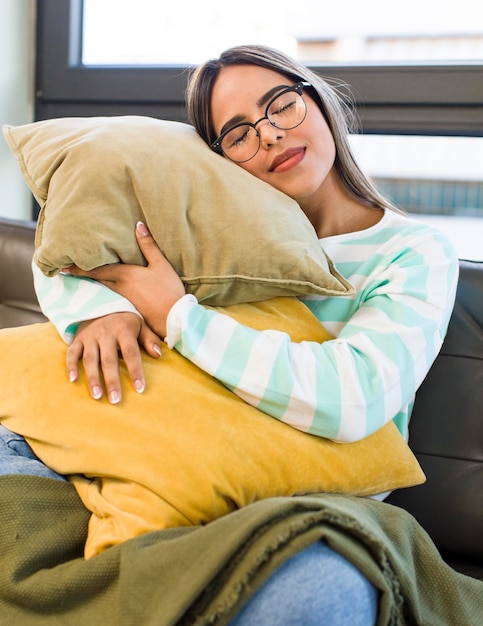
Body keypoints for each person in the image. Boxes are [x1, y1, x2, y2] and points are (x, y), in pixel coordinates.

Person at [3, 45, 459, 624]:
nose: (268, 135)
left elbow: (356, 398)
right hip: (158, 457)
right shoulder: (206, 232)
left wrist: (179, 317)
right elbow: (66, 260)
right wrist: (96, 312)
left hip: (307, 502)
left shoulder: (413, 253)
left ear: (319, 102)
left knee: (318, 592)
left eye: (281, 105)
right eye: (239, 133)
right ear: (222, 161)